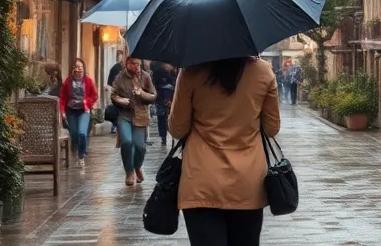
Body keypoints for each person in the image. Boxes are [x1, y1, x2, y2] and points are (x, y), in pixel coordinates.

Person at [168, 56, 281, 246]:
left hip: (201, 180)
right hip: (247, 181)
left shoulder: (191, 72)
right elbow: (272, 128)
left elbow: (178, 129)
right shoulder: (263, 71)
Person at [110, 55, 157, 186]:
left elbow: (153, 96)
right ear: (127, 64)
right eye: (133, 64)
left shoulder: (145, 76)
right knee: (126, 141)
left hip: (140, 116)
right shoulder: (120, 77)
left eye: (138, 64)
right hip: (125, 115)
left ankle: (137, 166)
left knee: (140, 146)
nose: (137, 66)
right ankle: (129, 172)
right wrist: (121, 100)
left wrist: (142, 93)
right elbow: (113, 95)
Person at [60, 58, 97, 168]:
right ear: (72, 69)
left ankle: (81, 156)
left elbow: (94, 95)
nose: (79, 69)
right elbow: (62, 98)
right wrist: (62, 112)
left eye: (81, 67)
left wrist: (87, 102)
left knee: (82, 133)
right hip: (71, 111)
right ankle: (74, 148)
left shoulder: (88, 81)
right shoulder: (68, 81)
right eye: (76, 67)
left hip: (83, 111)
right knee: (74, 134)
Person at [153, 62, 177, 146]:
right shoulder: (158, 72)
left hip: (172, 97)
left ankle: (173, 134)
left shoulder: (174, 72)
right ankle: (163, 136)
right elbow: (154, 85)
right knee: (161, 118)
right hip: (160, 99)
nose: (168, 66)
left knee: (172, 117)